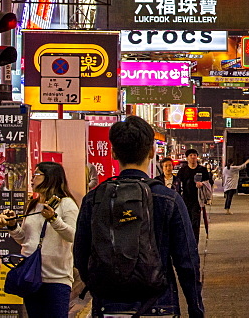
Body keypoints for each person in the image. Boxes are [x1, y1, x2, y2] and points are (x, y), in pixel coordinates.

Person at [74, 116, 204, 318]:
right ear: (152, 151)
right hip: (159, 305)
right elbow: (187, 262)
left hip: (108, 306)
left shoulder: (94, 199)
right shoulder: (169, 199)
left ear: (113, 152)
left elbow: (81, 255)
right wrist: (196, 309)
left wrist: (99, 288)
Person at [0, 162, 78, 317]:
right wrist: (12, 226)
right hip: (31, 277)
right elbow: (25, 239)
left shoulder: (67, 204)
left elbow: (73, 236)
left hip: (56, 279)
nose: (32, 179)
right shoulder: (33, 205)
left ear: (50, 177)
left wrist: (54, 219)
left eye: (36, 175)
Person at [176, 149, 213, 241]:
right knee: (186, 221)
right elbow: (178, 184)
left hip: (197, 200)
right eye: (191, 155)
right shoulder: (182, 170)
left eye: (194, 155)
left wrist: (202, 184)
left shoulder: (203, 170)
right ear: (187, 158)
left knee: (195, 223)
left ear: (197, 157)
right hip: (185, 200)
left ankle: (195, 243)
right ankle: (187, 242)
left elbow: (209, 183)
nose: (193, 157)